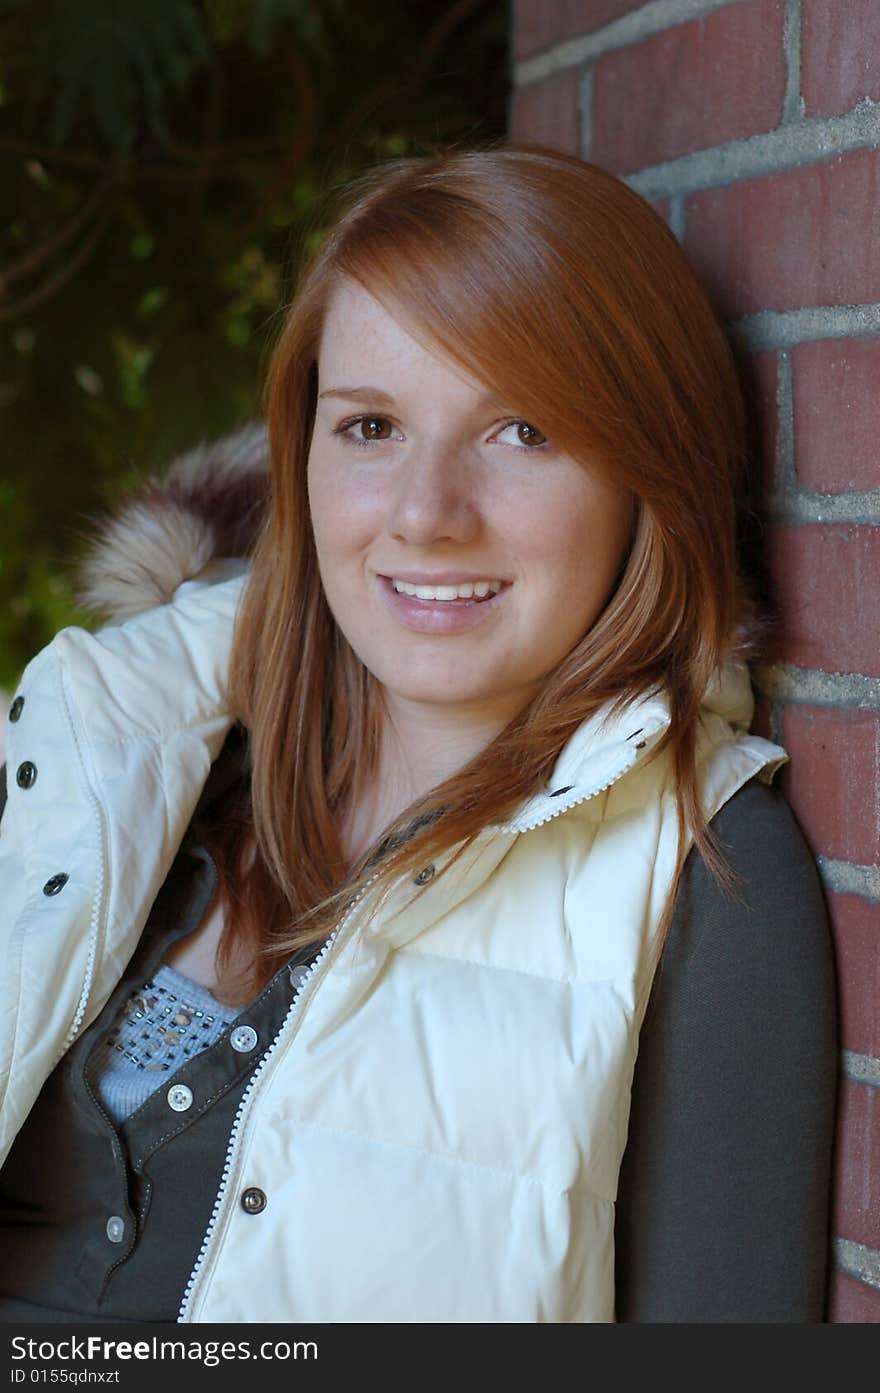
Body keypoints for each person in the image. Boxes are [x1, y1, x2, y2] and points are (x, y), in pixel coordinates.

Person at [0, 142, 837, 1324]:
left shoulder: (707, 873)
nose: (424, 514)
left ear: (650, 472)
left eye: (524, 432)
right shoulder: (133, 762)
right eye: (372, 426)